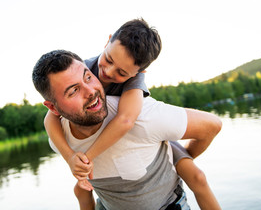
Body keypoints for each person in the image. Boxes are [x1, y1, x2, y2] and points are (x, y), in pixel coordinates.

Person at [44, 19, 221, 209]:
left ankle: (177, 164)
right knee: (81, 190)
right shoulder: (83, 68)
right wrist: (70, 157)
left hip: (151, 138)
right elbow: (50, 116)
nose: (108, 72)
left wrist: (87, 159)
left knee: (196, 176)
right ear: (108, 41)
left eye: (121, 72)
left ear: (140, 72)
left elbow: (126, 120)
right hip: (115, 142)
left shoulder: (134, 84)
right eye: (109, 59)